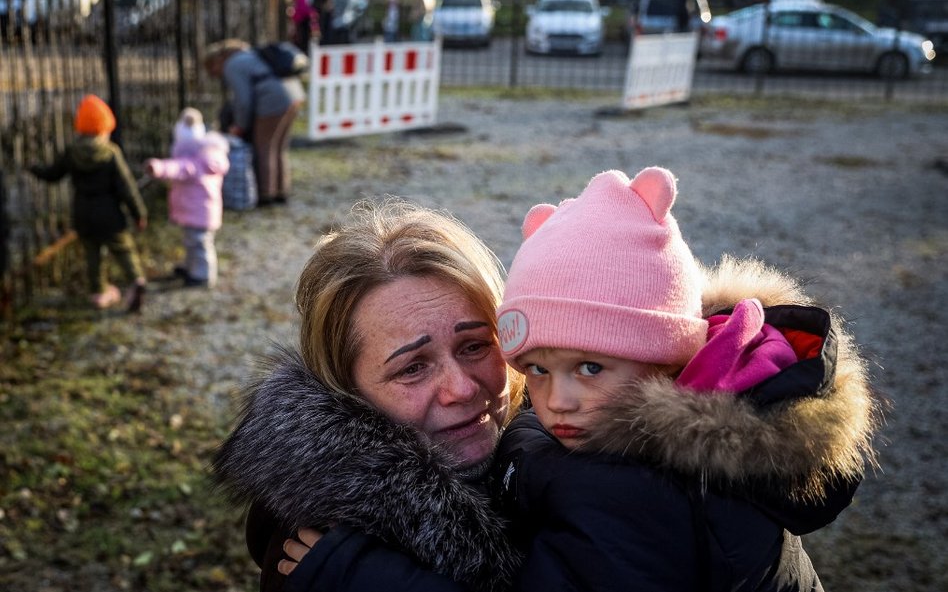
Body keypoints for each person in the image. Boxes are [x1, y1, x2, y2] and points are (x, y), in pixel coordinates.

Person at [490, 167, 880, 591]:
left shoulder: (632, 498)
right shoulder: (701, 424)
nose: (557, 401)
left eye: (590, 368)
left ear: (665, 358)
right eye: (537, 370)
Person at [212, 200, 525, 592]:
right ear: (348, 392)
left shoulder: (577, 427)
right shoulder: (314, 555)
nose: (462, 388)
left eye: (475, 346)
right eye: (412, 368)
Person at [29, 94, 148, 313]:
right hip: (110, 213)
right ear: (105, 128)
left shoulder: (72, 153)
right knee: (123, 248)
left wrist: (35, 168)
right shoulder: (111, 153)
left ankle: (99, 293)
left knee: (93, 254)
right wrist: (138, 213)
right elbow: (126, 187)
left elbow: (53, 175)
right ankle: (135, 280)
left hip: (83, 212)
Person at [204, 39, 306, 207]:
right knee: (279, 147)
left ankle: (266, 195)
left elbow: (243, 100)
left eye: (212, 70)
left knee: (264, 147)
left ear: (216, 60)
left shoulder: (232, 65)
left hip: (273, 99)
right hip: (293, 94)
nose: (215, 75)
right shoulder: (248, 55)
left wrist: (240, 125)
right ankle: (281, 192)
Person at [144, 107, 230, 288]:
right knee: (194, 243)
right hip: (200, 212)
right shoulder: (208, 158)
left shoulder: (194, 162)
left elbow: (177, 167)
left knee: (199, 244)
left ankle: (202, 275)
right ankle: (192, 268)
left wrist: (157, 167)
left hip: (197, 213)